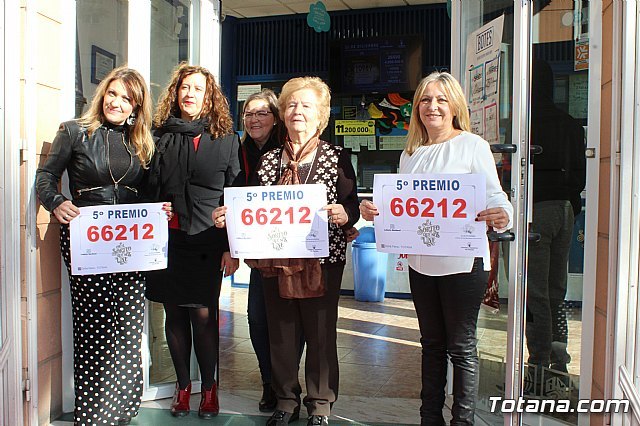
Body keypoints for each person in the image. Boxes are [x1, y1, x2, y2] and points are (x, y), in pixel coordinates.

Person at [359, 71, 513, 425]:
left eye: (441, 99)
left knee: (461, 347)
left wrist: (503, 215)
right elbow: (400, 207)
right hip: (421, 263)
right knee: (431, 345)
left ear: (455, 105)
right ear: (416, 108)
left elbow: (495, 196)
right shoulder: (410, 154)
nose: (433, 107)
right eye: (426, 100)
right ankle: (430, 417)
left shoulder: (473, 145)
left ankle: (463, 420)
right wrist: (374, 211)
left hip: (462, 264)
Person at [213, 76, 359, 426]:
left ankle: (320, 404)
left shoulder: (336, 156)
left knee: (321, 333)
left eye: (306, 105)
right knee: (281, 332)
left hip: (322, 261)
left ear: (320, 115)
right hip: (275, 258)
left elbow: (351, 203)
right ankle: (285, 399)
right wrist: (229, 217)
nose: (297, 111)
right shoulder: (268, 161)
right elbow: (252, 204)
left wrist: (345, 212)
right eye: (292, 104)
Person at [35, 66, 161, 425]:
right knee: (94, 329)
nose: (117, 103)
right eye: (113, 94)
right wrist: (55, 201)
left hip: (131, 246)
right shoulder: (74, 131)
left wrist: (157, 210)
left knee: (126, 328)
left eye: (127, 98)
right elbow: (45, 175)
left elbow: (147, 193)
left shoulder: (141, 141)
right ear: (102, 94)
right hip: (87, 243)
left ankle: (123, 410)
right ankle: (94, 415)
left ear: (136, 106)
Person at [145, 62, 240, 418]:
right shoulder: (159, 136)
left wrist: (232, 245)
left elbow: (235, 193)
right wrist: (154, 206)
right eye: (184, 88)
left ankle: (210, 389)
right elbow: (148, 187)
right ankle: (183, 388)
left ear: (209, 96)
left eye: (197, 89)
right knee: (174, 315)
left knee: (203, 315)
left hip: (207, 240)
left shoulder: (227, 139)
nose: (190, 94)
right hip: (167, 239)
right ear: (176, 93)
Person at [525, 58, 586, 379]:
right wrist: (570, 207)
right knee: (555, 287)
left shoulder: (524, 123)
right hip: (566, 209)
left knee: (534, 290)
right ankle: (559, 356)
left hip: (536, 211)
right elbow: (581, 176)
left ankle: (538, 360)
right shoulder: (571, 123)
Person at [239, 89, 284, 412]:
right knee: (257, 318)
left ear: (275, 118)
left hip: (290, 250)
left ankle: (285, 385)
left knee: (289, 323)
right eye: (249, 114)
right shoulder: (237, 151)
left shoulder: (287, 151)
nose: (254, 120)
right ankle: (269, 381)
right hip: (258, 255)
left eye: (261, 113)